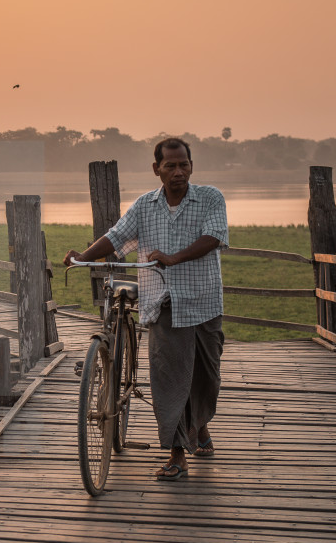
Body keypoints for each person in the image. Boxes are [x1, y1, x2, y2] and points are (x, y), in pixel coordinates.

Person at [64, 137, 227, 482]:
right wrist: (83, 257)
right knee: (169, 381)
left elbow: (213, 238)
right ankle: (177, 454)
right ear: (157, 169)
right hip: (163, 303)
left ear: (191, 166)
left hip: (204, 301)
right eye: (170, 165)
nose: (178, 171)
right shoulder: (144, 206)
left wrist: (173, 257)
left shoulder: (211, 198)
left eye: (184, 164)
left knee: (205, 378)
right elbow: (116, 237)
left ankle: (200, 426)